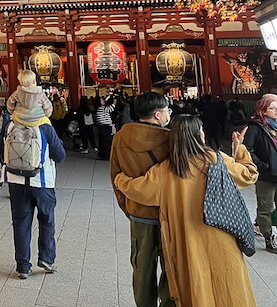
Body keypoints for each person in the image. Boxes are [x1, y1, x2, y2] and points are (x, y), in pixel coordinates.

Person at [114, 115, 258, 307]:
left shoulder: (168, 168)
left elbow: (139, 190)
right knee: (227, 283)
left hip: (187, 240)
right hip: (222, 235)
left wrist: (119, 179)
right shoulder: (216, 159)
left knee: (195, 285)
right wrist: (239, 148)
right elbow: (249, 174)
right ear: (200, 134)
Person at [109, 92, 174, 307]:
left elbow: (115, 175)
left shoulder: (120, 137)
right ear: (157, 115)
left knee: (142, 267)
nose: (168, 114)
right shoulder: (171, 138)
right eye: (167, 110)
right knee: (171, 266)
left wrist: (128, 206)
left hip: (138, 213)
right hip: (169, 213)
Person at [1, 70, 66, 279]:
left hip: (15, 180)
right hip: (42, 180)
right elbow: (60, 155)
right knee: (46, 219)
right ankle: (47, 258)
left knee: (20, 222)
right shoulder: (44, 126)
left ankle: (22, 266)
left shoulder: (11, 123)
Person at [243, 93, 277, 253]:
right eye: (272, 108)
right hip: (267, 175)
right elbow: (247, 149)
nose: (276, 111)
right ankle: (268, 237)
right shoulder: (256, 128)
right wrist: (262, 165)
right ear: (263, 110)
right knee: (266, 207)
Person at [95, 94, 116, 160]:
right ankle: (107, 155)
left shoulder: (98, 109)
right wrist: (114, 102)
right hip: (106, 127)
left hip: (101, 126)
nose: (103, 101)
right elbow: (111, 109)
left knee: (102, 141)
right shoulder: (103, 108)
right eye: (102, 100)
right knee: (107, 141)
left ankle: (102, 154)